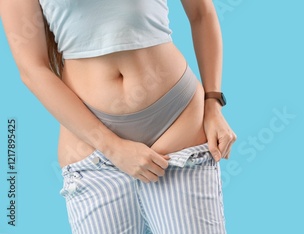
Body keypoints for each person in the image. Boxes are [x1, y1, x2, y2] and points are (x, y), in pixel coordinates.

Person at [0, 0, 236, 233]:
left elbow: (201, 14)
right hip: (94, 149)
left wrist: (213, 103)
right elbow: (32, 69)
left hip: (176, 122)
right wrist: (112, 147)